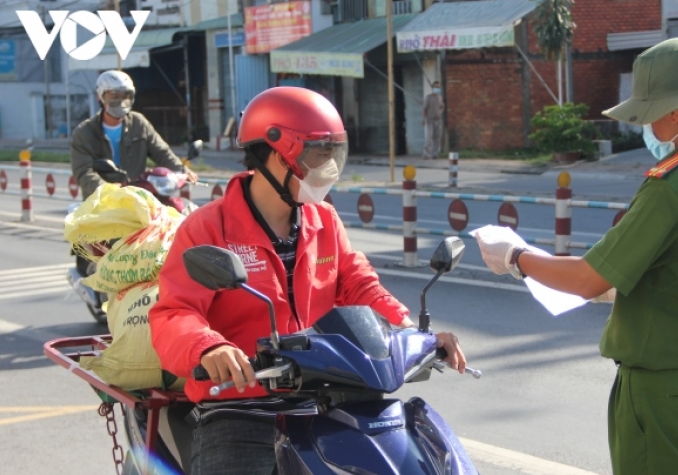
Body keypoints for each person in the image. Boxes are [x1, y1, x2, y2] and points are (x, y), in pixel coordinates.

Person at [473, 38, 678, 475]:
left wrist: (517, 257)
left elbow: (587, 280)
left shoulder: (677, 184)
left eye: (650, 114)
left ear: (676, 111)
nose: (648, 128)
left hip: (664, 393)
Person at [149, 86, 466, 475]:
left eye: (334, 154)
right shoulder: (208, 228)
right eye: (320, 154)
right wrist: (209, 349)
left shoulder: (323, 219)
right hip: (241, 406)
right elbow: (175, 312)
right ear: (278, 154)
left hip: (326, 398)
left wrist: (410, 332)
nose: (329, 167)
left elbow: (357, 285)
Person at [70, 70, 197, 199]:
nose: (121, 101)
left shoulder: (139, 123)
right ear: (100, 96)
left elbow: (161, 152)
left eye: (126, 96)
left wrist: (181, 170)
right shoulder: (84, 132)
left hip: (137, 198)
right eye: (114, 96)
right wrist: (109, 190)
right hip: (100, 203)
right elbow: (83, 172)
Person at [422, 80, 445, 159]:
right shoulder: (428, 97)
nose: (437, 88)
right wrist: (424, 119)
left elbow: (442, 106)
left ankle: (434, 154)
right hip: (430, 120)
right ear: (432, 88)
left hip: (438, 120)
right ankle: (426, 154)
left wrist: (440, 112)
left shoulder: (440, 97)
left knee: (437, 138)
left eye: (438, 87)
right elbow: (425, 109)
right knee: (428, 138)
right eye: (436, 87)